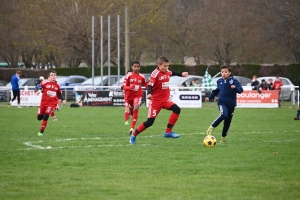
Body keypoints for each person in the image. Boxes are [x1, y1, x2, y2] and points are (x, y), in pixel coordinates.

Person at [129, 56, 189, 144]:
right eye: (164, 66)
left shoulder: (167, 71)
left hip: (165, 100)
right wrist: (149, 93)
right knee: (150, 122)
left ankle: (168, 132)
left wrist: (181, 74)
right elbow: (150, 85)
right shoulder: (155, 73)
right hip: (155, 101)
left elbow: (172, 73)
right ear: (159, 65)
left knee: (177, 109)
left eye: (167, 66)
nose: (166, 68)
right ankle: (134, 134)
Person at [205, 65, 243, 143]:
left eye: (226, 72)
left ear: (230, 72)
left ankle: (223, 137)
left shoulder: (234, 81)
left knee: (227, 122)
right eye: (222, 72)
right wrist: (210, 97)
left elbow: (240, 90)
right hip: (222, 102)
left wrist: (235, 88)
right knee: (224, 114)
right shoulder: (219, 81)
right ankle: (212, 127)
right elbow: (216, 91)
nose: (224, 73)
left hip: (231, 104)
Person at [36, 70, 66, 136]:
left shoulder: (58, 84)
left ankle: (41, 132)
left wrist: (63, 99)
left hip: (52, 104)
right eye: (52, 75)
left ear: (56, 76)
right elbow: (39, 86)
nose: (53, 76)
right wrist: (38, 90)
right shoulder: (44, 82)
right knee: (39, 118)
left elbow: (59, 93)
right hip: (43, 103)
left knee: (46, 116)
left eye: (54, 75)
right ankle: (45, 111)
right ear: (49, 77)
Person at [122, 61, 148, 134]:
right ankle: (128, 118)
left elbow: (146, 84)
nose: (136, 68)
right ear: (132, 67)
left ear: (139, 68)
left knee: (136, 107)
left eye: (138, 67)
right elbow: (123, 86)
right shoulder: (128, 75)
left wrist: (150, 91)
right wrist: (130, 87)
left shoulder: (142, 76)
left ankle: (132, 128)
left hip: (137, 95)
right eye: (135, 66)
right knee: (129, 111)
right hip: (128, 96)